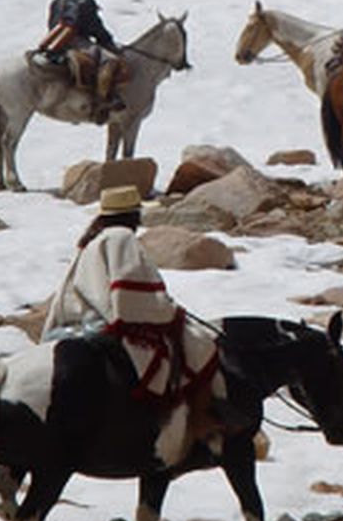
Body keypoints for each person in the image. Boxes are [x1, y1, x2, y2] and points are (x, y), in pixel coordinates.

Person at [41, 185, 226, 465]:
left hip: (75, 322)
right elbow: (128, 293)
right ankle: (198, 423)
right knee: (199, 344)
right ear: (133, 216)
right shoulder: (122, 238)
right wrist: (167, 310)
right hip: (104, 325)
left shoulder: (93, 240)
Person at [40, 0, 124, 121]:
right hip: (77, 41)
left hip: (55, 39)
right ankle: (102, 101)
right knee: (110, 60)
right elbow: (95, 26)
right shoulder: (85, 2)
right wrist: (107, 40)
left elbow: (52, 22)